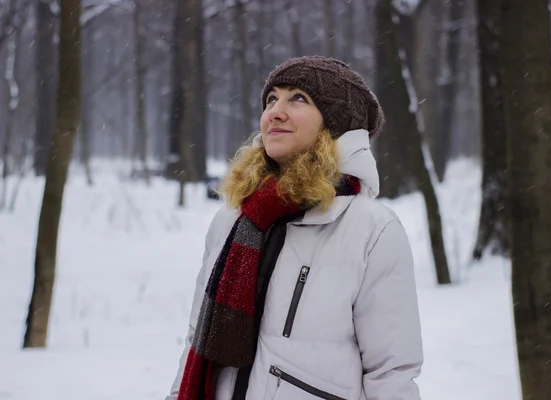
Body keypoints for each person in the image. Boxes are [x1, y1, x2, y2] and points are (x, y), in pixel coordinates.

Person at [166, 55, 423, 400]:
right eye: (271, 99)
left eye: (298, 98)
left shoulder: (371, 230)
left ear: (334, 124)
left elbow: (391, 373)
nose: (275, 111)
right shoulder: (234, 218)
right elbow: (198, 336)